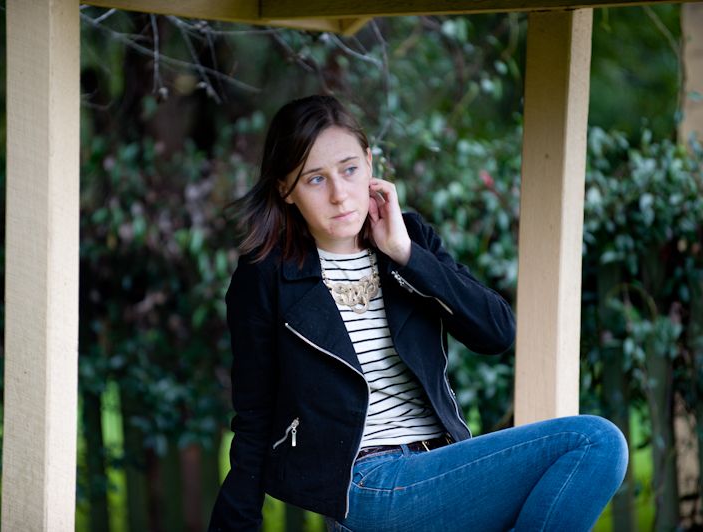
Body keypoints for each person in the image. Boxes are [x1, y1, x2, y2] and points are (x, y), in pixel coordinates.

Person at [209, 94, 628, 532]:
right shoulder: (267, 276)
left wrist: (406, 254)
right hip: (366, 483)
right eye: (315, 179)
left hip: (439, 463)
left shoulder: (410, 239)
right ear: (285, 189)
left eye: (349, 170)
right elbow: (254, 416)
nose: (339, 194)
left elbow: (497, 332)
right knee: (593, 442)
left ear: (369, 163)